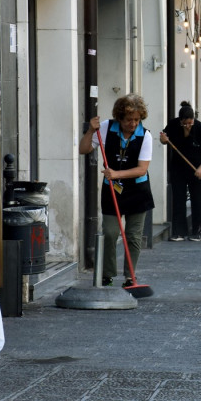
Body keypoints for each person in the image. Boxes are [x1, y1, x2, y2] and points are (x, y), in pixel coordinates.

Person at [79, 94, 155, 287]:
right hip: (112, 190)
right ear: (120, 117)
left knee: (133, 235)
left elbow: (142, 169)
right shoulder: (105, 127)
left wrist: (116, 173)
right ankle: (107, 274)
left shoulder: (145, 135)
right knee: (111, 232)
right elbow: (84, 149)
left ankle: (130, 277)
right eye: (129, 119)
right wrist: (90, 131)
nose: (133, 123)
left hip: (138, 191)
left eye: (137, 120)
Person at [159, 101, 201, 242]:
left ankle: (199, 231)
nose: (188, 126)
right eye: (185, 124)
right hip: (178, 168)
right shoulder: (173, 125)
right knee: (178, 198)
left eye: (190, 123)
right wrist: (163, 139)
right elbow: (163, 139)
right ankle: (179, 232)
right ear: (180, 121)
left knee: (197, 199)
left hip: (197, 169)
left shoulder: (200, 128)